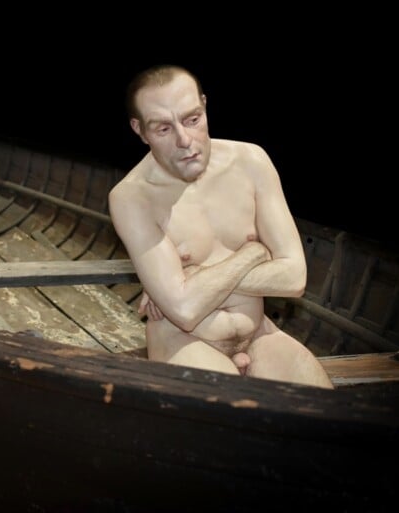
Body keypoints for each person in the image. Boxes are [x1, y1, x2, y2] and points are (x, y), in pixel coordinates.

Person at [108, 65, 333, 389]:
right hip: (184, 340)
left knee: (326, 412)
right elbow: (184, 311)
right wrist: (255, 253)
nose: (185, 140)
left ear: (204, 105)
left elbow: (294, 278)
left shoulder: (251, 162)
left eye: (192, 119)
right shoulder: (132, 197)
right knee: (230, 423)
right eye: (163, 129)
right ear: (140, 131)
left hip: (259, 332)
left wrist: (194, 279)